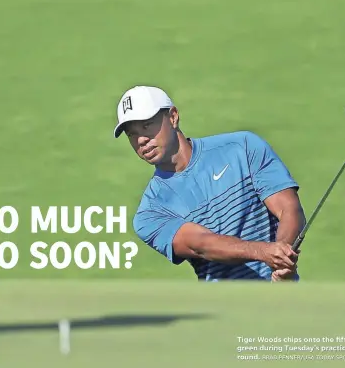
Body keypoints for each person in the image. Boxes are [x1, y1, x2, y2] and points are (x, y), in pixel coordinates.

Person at [113, 85, 306, 281]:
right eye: (132, 134)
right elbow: (201, 244)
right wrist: (264, 252)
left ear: (173, 117)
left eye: (147, 126)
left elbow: (288, 208)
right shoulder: (150, 213)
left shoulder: (243, 147)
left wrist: (283, 257)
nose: (141, 140)